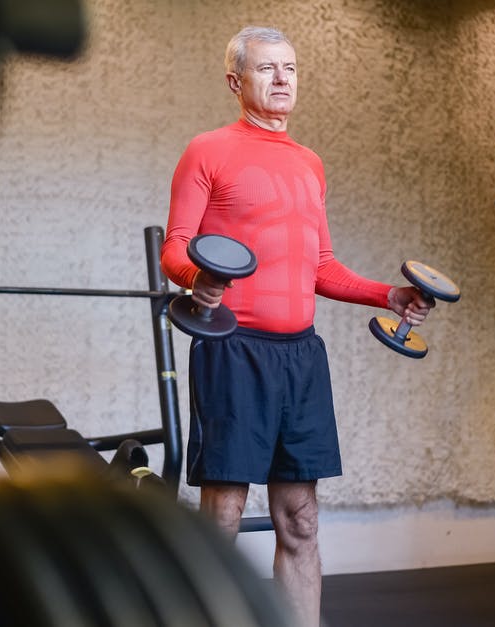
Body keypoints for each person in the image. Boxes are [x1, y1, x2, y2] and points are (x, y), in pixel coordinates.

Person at [161, 25, 434, 627]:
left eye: (290, 68)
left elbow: (320, 266)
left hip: (300, 358)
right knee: (223, 517)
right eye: (267, 69)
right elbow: (176, 248)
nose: (283, 79)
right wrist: (197, 280)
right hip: (233, 349)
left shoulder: (310, 163)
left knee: (301, 520)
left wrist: (386, 295)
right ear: (237, 81)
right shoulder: (207, 149)